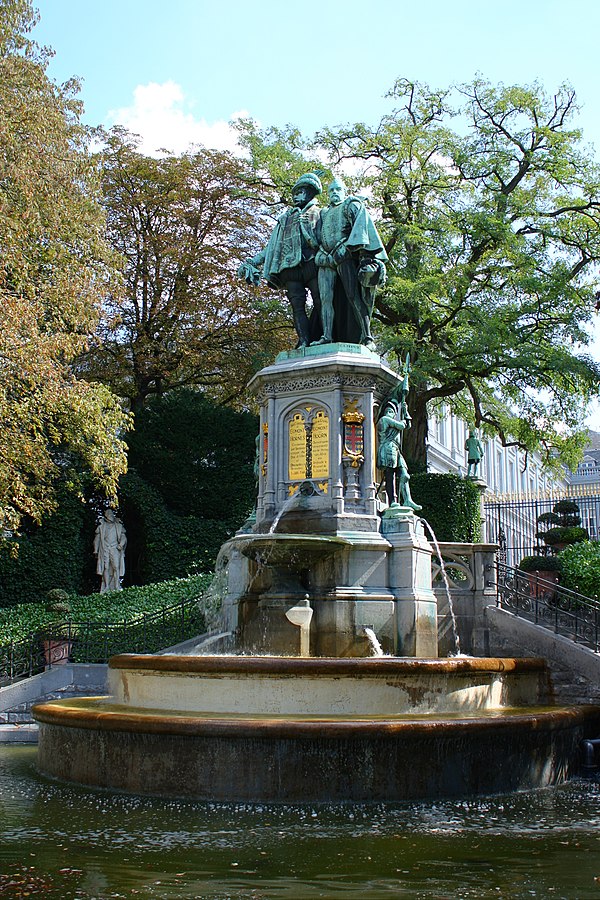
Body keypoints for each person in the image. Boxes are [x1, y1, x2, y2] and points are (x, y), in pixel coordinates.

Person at [237, 173, 323, 347]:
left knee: (321, 301)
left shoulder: (320, 213)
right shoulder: (285, 218)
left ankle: (325, 336)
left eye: (300, 192)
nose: (295, 196)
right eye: (295, 193)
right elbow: (272, 247)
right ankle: (304, 341)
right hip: (289, 268)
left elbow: (326, 240)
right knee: (297, 306)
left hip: (312, 264)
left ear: (310, 192)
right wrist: (254, 261)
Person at [314, 177, 387, 347]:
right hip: (325, 258)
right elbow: (318, 237)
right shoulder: (323, 213)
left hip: (344, 255)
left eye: (338, 189)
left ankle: (367, 336)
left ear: (344, 191)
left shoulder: (350, 205)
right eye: (331, 190)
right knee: (325, 299)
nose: (334, 192)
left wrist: (361, 255)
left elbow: (360, 231)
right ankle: (327, 335)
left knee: (353, 295)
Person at [377, 400, 422, 511]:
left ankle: (408, 500)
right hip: (388, 448)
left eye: (391, 411)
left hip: (396, 450)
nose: (389, 412)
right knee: (390, 475)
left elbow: (407, 425)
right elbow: (402, 426)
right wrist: (402, 420)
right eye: (388, 410)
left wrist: (405, 412)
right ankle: (392, 501)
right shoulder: (384, 420)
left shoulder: (392, 422)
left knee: (404, 475)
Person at [93, 508, 127, 593]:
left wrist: (121, 544)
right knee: (106, 567)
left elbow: (123, 537)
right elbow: (97, 539)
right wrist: (96, 550)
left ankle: (116, 585)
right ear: (106, 516)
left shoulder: (118, 526)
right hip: (105, 548)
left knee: (116, 566)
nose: (110, 515)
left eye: (111, 514)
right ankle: (107, 586)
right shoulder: (101, 527)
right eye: (108, 514)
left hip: (115, 548)